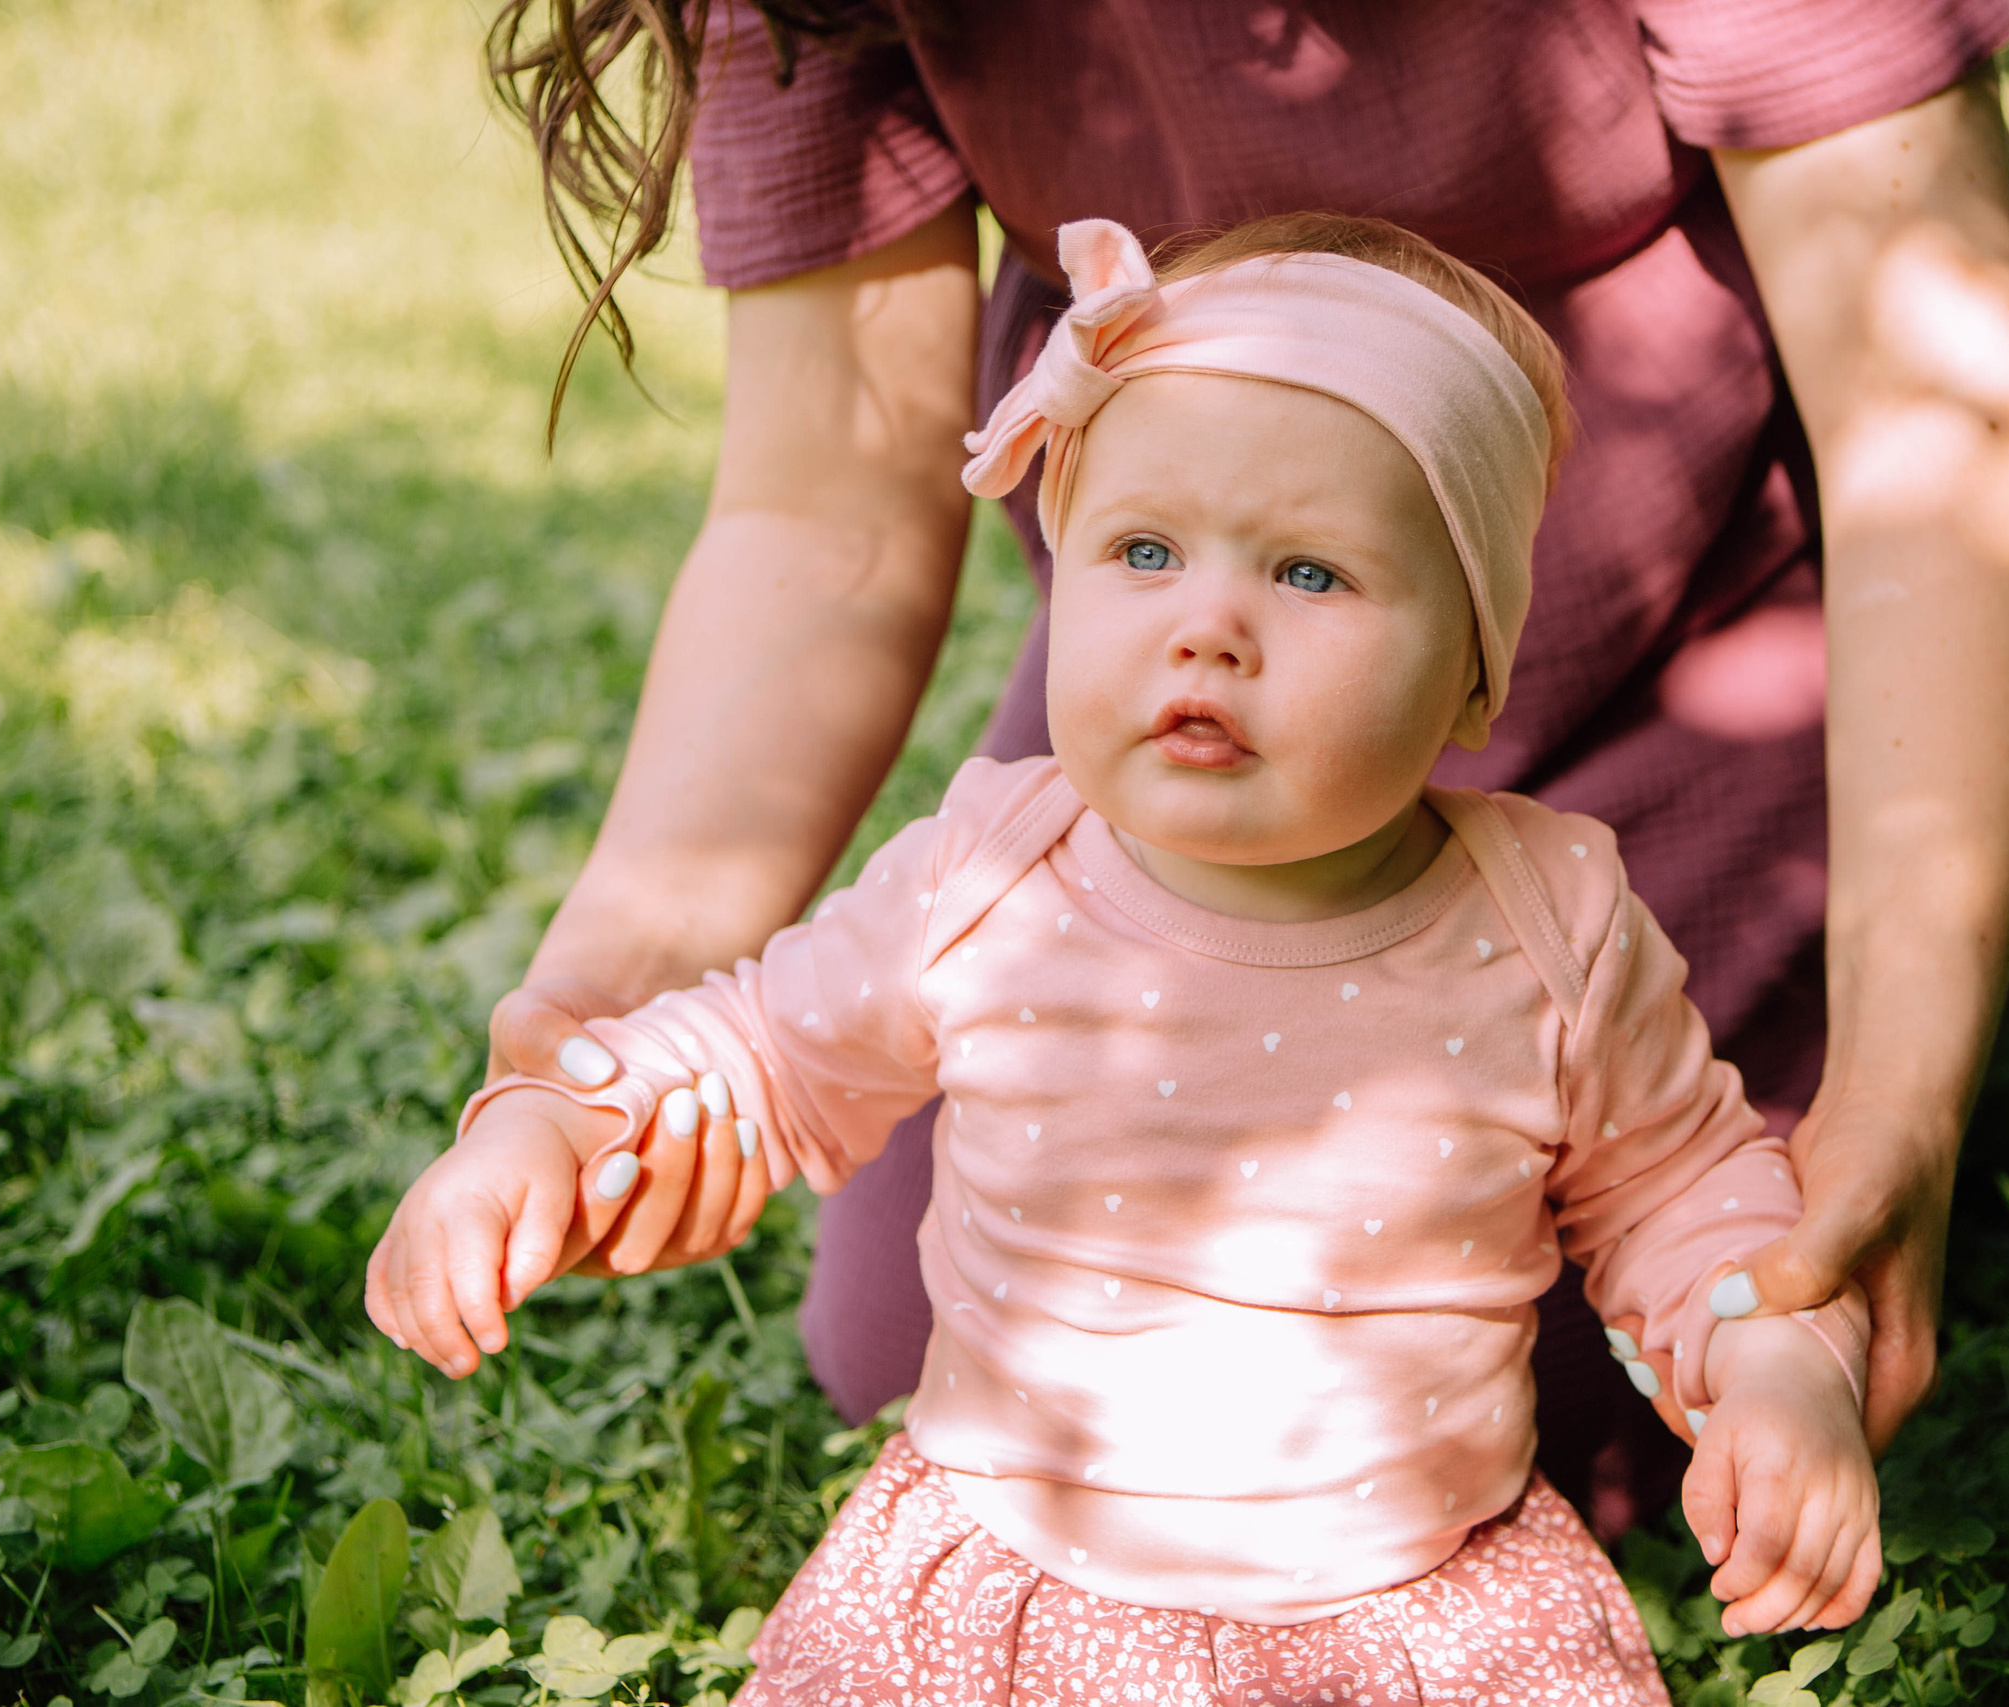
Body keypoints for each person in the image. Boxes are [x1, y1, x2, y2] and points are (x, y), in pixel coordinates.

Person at [477, 0, 2009, 1529]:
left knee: (1647, 1408)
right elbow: (819, 502)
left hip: (1710, 639)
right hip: (1203, 761)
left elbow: (1933, 394)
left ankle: (1959, 990)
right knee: (922, 1348)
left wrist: (1903, 1087)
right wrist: (621, 993)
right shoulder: (1004, 864)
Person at [369, 216, 1881, 1701]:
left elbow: (1682, 1190)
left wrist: (1780, 1366)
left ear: (1471, 667)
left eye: (1309, 574)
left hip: (1416, 1598)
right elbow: (760, 1047)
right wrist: (560, 1123)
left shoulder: (1549, 923)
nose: (1206, 627)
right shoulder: (989, 873)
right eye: (1144, 551)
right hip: (1011, 1579)